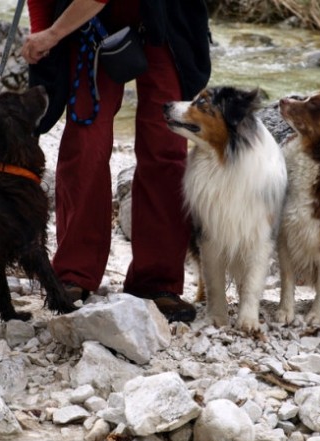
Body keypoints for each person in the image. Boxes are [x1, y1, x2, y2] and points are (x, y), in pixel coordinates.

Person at [22, 0, 211, 323]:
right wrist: (43, 32)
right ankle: (73, 273)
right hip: (88, 26)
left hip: (165, 20)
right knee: (84, 144)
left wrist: (53, 34)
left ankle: (157, 282)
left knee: (166, 149)